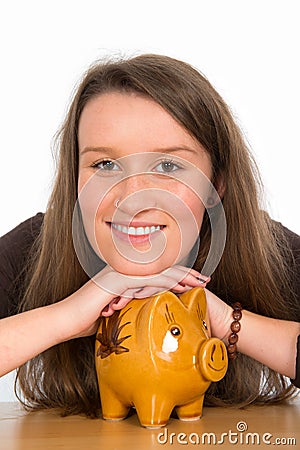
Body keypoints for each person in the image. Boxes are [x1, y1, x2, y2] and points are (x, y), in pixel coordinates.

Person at [0, 54, 299, 417]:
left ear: (215, 185)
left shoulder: (268, 250)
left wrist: (226, 321)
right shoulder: (36, 245)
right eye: (105, 165)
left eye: (168, 166)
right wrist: (66, 316)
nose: (132, 199)